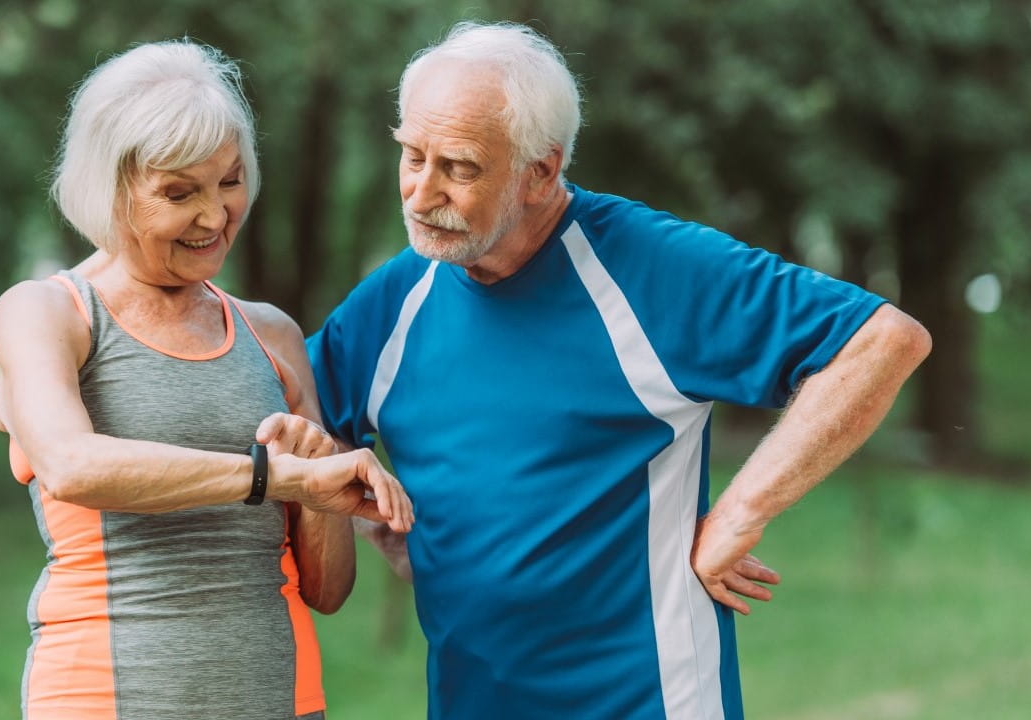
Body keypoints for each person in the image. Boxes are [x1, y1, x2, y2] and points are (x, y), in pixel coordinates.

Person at [306, 21, 931, 720]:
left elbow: (880, 342)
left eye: (459, 168)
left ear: (541, 171)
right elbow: (292, 422)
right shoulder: (397, 297)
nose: (421, 195)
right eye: (412, 157)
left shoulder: (647, 268)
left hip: (648, 701)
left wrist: (738, 515)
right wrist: (381, 523)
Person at [0, 40, 413, 720]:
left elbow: (328, 589)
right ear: (111, 189)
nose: (216, 217)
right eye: (180, 192)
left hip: (282, 699)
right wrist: (271, 478)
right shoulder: (46, 313)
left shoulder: (269, 334)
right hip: (107, 698)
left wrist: (321, 471)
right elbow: (71, 465)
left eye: (230, 181)